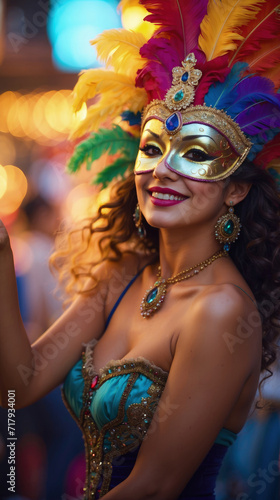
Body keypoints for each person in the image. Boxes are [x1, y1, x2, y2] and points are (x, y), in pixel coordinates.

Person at [1, 1, 280, 499]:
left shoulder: (221, 310)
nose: (162, 169)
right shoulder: (124, 273)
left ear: (236, 190)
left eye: (194, 153)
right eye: (152, 147)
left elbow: (154, 486)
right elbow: (19, 385)